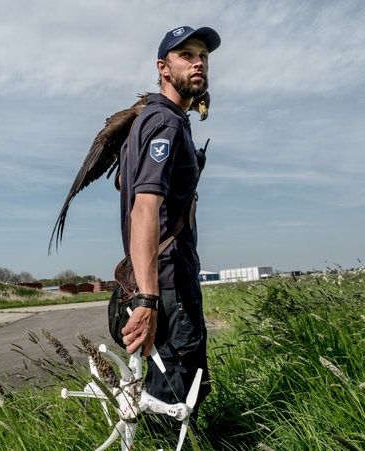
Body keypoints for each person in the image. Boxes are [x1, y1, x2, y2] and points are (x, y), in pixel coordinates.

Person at [119, 26, 221, 414]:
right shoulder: (165, 122)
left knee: (175, 393)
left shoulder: (151, 119)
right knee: (174, 405)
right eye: (187, 55)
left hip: (162, 278)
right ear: (162, 67)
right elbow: (143, 207)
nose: (199, 62)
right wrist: (148, 298)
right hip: (166, 284)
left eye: (204, 56)